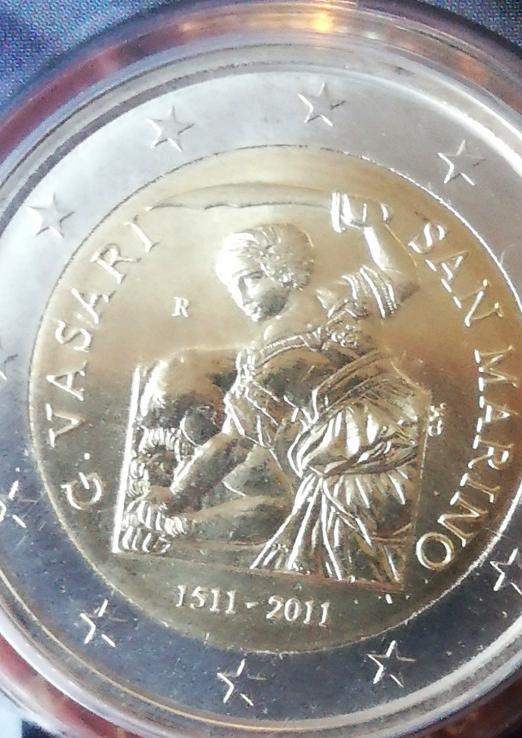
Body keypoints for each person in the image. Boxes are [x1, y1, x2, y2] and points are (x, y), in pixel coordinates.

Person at [138, 193, 429, 588]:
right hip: (406, 431)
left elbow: (232, 443)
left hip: (350, 465)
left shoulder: (267, 354)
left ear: (284, 269)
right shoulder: (346, 296)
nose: (242, 297)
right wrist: (374, 226)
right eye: (234, 287)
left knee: (329, 562)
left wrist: (175, 496)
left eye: (251, 279)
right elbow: (402, 276)